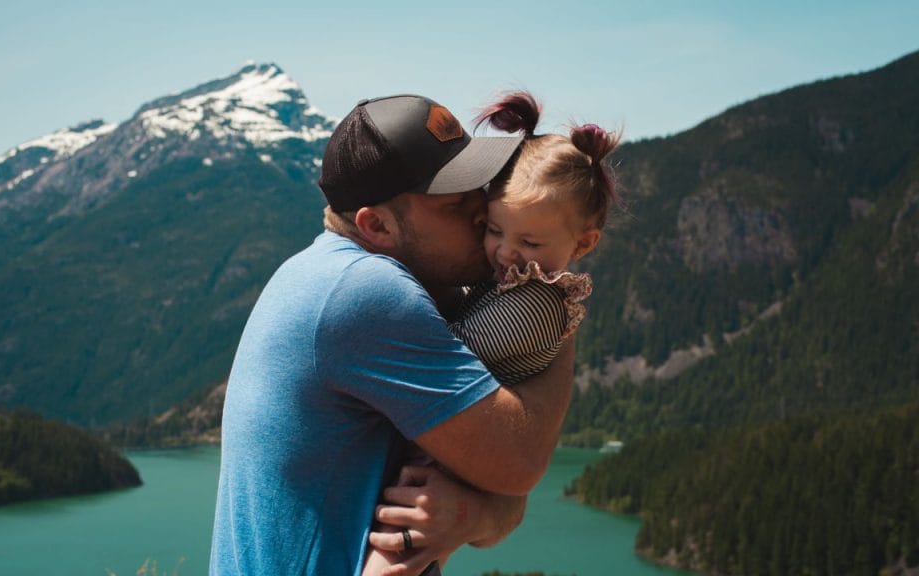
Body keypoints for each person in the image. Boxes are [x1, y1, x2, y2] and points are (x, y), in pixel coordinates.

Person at [210, 94, 578, 576]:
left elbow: (500, 493)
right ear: (376, 224)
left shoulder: (319, 271)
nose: (481, 211)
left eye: (478, 187)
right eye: (454, 203)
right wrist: (556, 296)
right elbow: (519, 462)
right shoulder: (365, 293)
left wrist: (469, 514)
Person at [361, 91, 621, 575]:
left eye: (529, 241)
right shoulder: (516, 283)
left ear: (583, 244)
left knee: (390, 563)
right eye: (494, 229)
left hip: (441, 466)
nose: (504, 252)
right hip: (446, 454)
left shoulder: (534, 304)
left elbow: (451, 349)